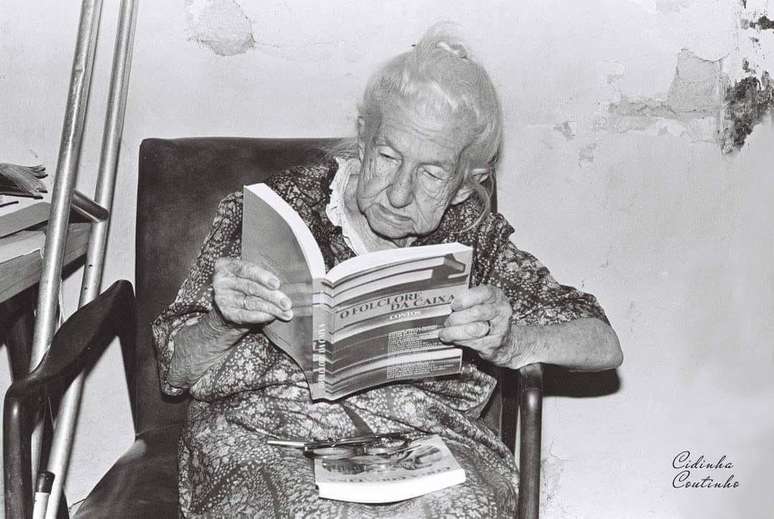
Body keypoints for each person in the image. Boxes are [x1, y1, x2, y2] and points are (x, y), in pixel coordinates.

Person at [153, 25, 622, 518]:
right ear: (363, 139)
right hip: (269, 438)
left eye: (432, 173)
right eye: (388, 157)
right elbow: (174, 370)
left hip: (421, 448)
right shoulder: (274, 212)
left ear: (467, 184)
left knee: (465, 508)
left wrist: (514, 343)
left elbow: (604, 344)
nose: (399, 194)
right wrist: (224, 322)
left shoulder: (474, 241)